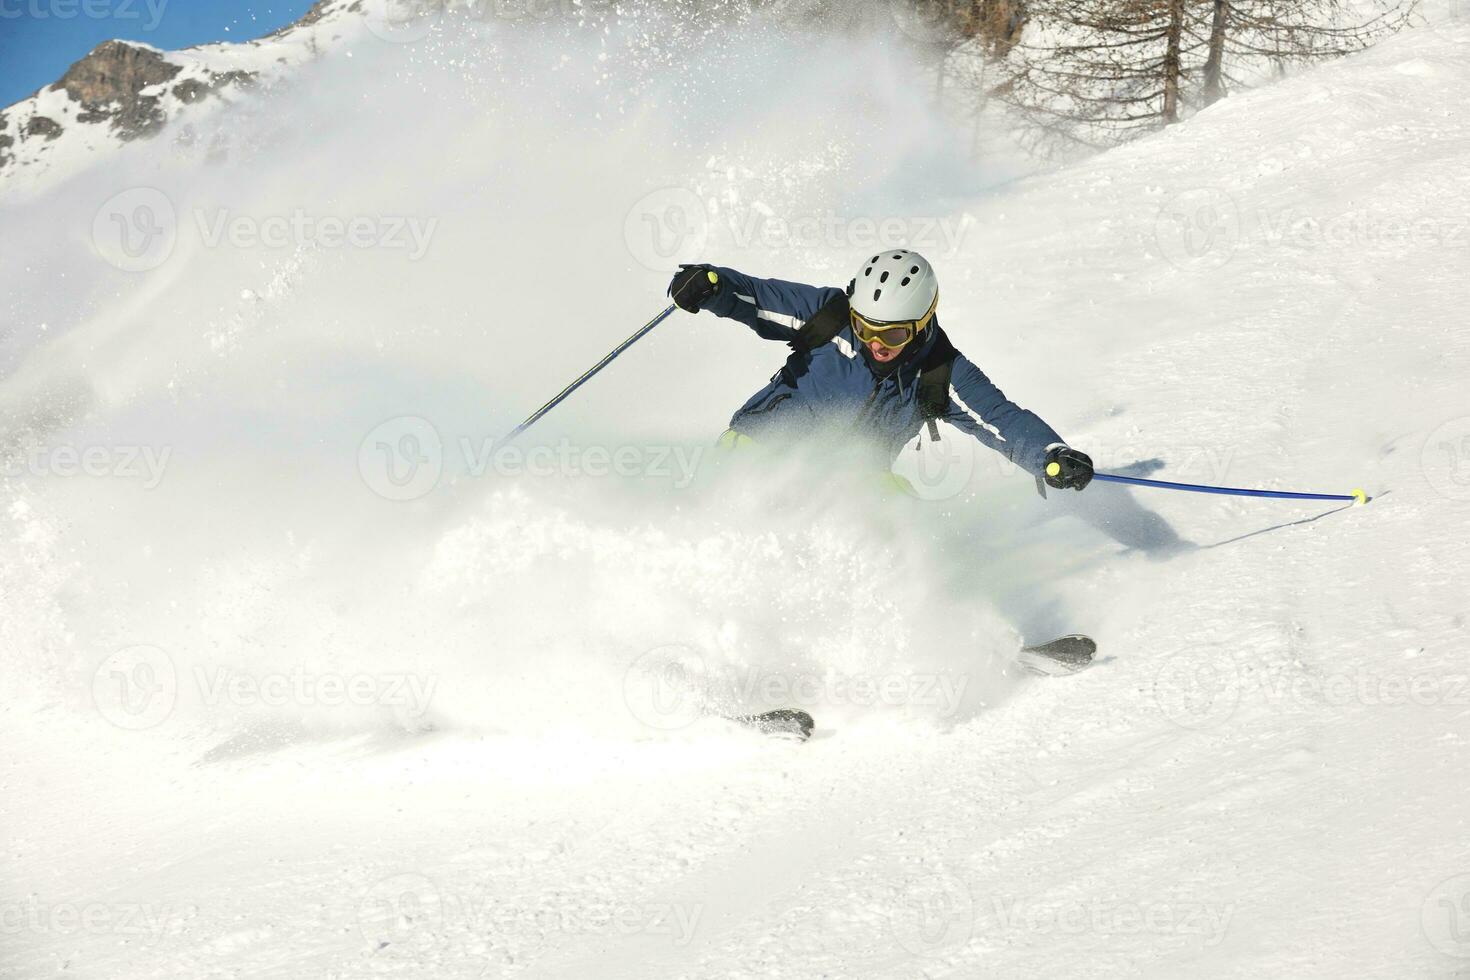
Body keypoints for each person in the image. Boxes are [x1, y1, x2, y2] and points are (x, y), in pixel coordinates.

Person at [667, 249, 1094, 494]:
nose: (875, 343)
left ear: (923, 322)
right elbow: (756, 297)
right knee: (747, 488)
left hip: (852, 483)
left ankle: (931, 636)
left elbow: (1000, 419)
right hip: (762, 447)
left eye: (891, 336)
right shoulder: (829, 316)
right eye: (866, 327)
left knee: (902, 519)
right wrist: (713, 285)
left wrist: (1048, 455)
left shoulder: (940, 372)